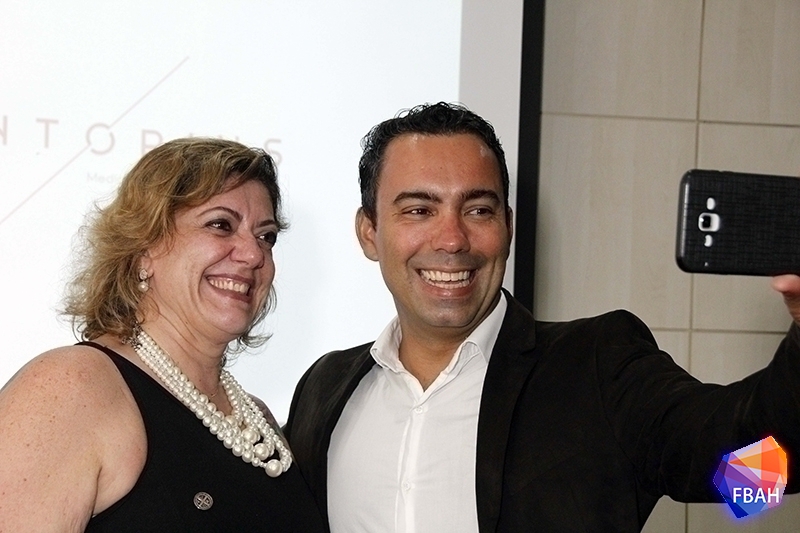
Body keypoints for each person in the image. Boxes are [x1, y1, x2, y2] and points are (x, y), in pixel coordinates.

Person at [284, 102, 800, 532]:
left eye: (478, 210)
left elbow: (761, 472)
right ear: (369, 233)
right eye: (419, 210)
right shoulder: (323, 391)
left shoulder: (596, 366)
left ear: (507, 227)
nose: (453, 239)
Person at [0, 138, 325, 532]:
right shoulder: (72, 388)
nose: (254, 254)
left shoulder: (257, 422)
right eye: (221, 225)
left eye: (266, 236)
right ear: (144, 249)